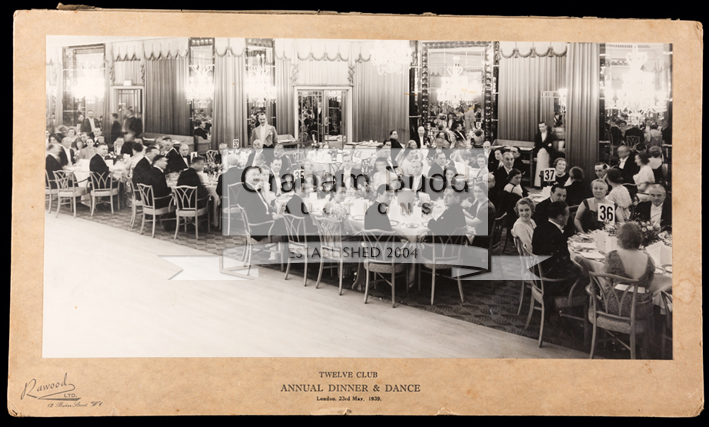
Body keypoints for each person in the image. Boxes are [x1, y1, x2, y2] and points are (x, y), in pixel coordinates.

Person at [601, 222, 655, 319]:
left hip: (616, 305)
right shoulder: (648, 259)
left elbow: (607, 284)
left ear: (622, 239)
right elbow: (648, 285)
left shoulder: (613, 256)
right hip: (640, 308)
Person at [234, 166, 281, 240]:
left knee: (285, 220)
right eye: (253, 174)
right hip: (259, 228)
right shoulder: (247, 191)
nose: (257, 177)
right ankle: (276, 250)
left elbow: (263, 206)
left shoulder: (251, 188)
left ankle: (277, 250)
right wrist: (271, 217)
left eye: (258, 175)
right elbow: (253, 214)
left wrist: (272, 212)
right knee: (287, 225)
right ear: (246, 176)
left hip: (261, 223)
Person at [463, 181, 495, 249]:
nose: (477, 194)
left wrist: (461, 216)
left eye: (480, 191)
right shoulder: (479, 201)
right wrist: (463, 212)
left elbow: (473, 223)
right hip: (478, 231)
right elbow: (473, 217)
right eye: (475, 191)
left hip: (483, 238)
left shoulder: (487, 207)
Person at [534, 121, 558, 187]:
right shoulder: (537, 135)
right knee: (539, 168)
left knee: (546, 168)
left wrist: (551, 155)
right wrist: (535, 156)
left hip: (548, 154)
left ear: (546, 127)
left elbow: (553, 147)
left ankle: (547, 184)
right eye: (540, 127)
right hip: (540, 154)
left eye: (542, 126)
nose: (541, 128)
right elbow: (536, 146)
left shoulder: (550, 135)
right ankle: (538, 184)